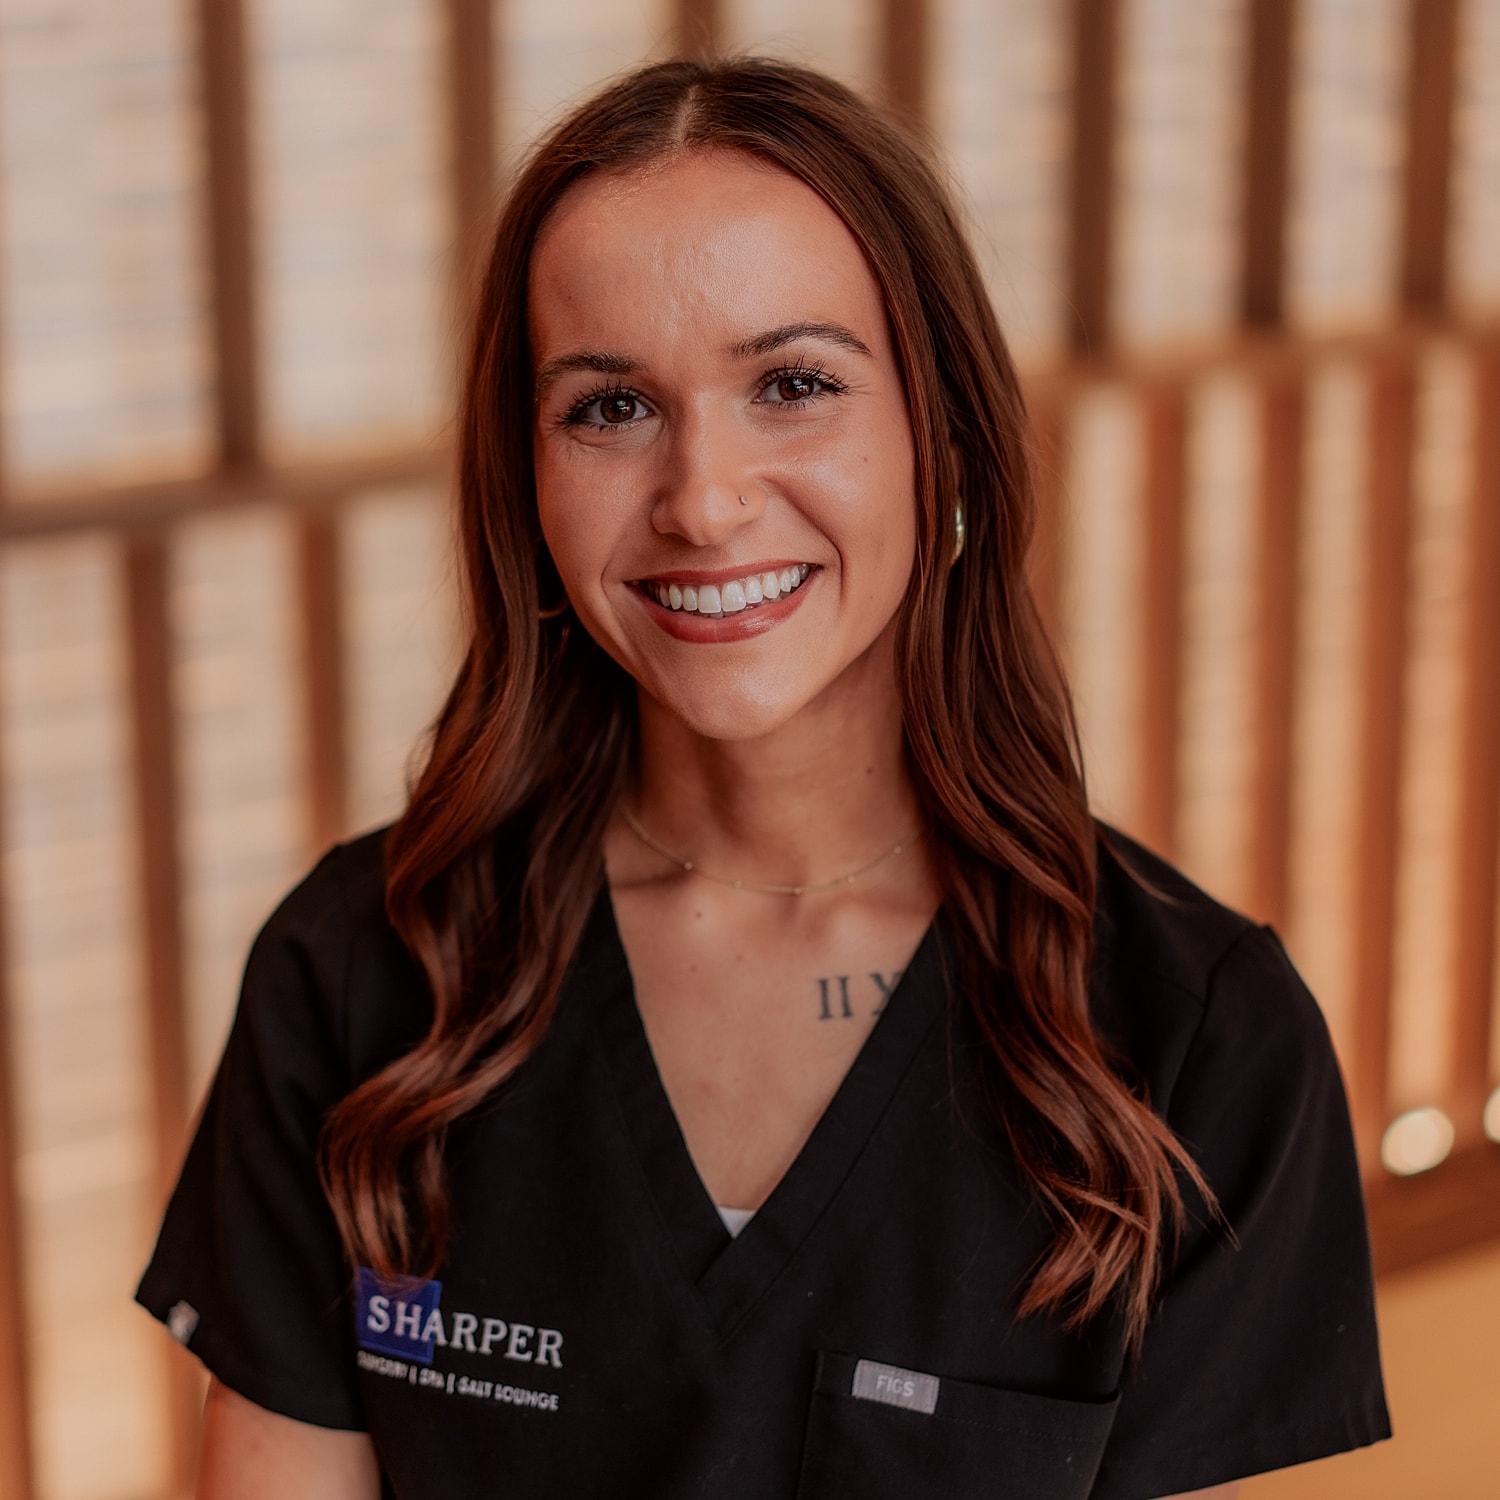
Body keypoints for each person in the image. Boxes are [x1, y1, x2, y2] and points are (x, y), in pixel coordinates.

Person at [137, 57, 1389, 1500]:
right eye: (610, 408)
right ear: (526, 480)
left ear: (950, 439)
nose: (704, 499)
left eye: (793, 384)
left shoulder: (1199, 1043)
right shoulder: (360, 972)